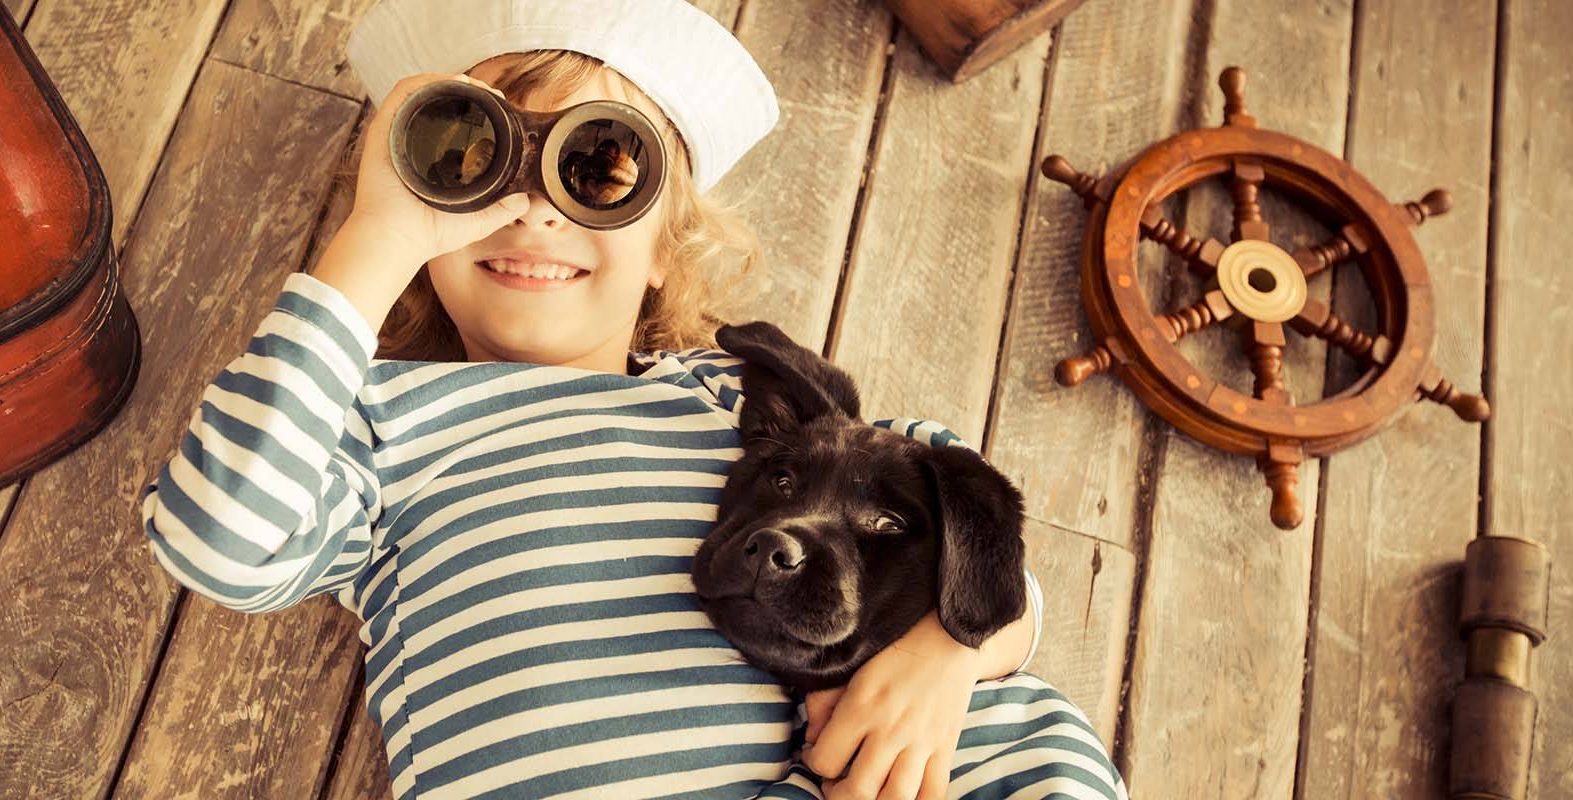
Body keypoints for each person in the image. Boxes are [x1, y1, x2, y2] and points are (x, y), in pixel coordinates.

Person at [139, 1, 1126, 798]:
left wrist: (951, 653)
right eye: (469, 163)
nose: (533, 210)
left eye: (599, 167)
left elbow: (982, 530)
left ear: (666, 246)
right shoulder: (376, 427)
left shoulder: (743, 393)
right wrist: (375, 240)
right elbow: (214, 539)